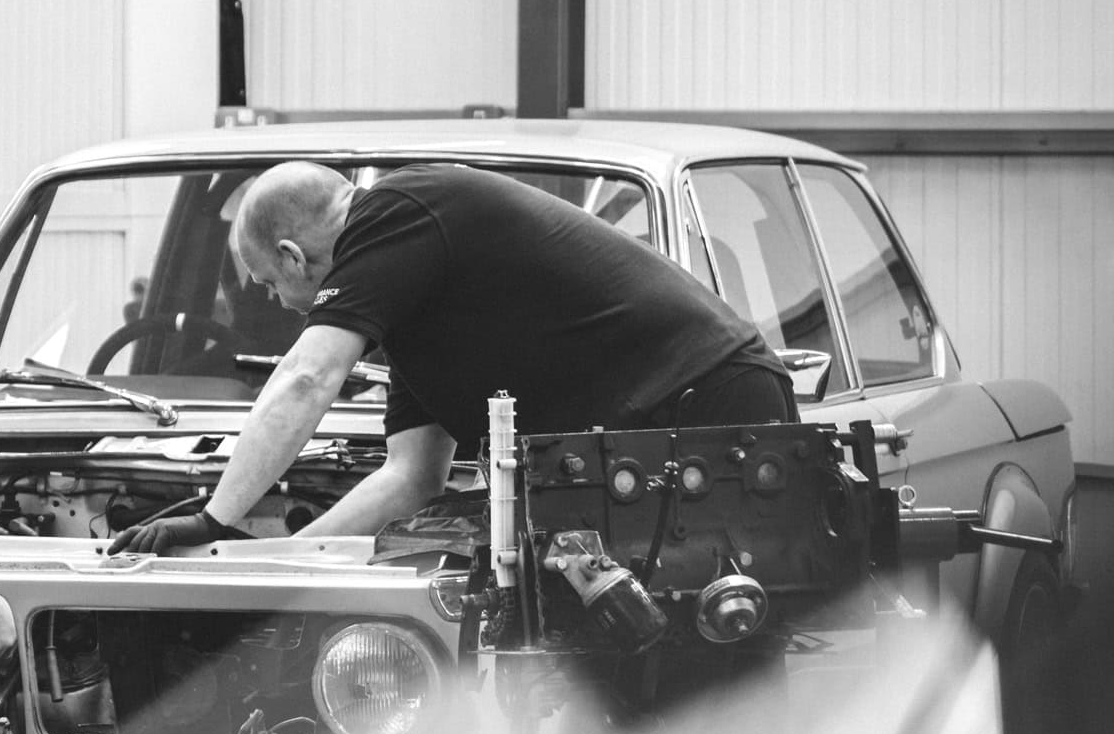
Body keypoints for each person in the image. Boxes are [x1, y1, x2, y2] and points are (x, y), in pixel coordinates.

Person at [110, 160, 796, 553]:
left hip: (709, 406)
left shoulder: (398, 211)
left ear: (293, 255)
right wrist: (286, 562)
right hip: (654, 436)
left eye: (270, 286)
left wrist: (214, 519)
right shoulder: (411, 296)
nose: (283, 304)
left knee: (706, 672)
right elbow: (411, 477)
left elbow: (306, 377)